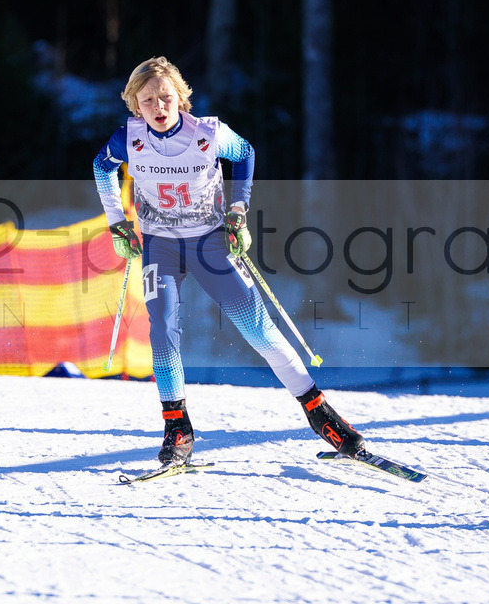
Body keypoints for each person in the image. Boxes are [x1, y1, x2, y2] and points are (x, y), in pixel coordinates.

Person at [92, 56, 365, 466]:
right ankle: (177, 428)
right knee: (162, 329)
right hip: (159, 246)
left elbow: (246, 153)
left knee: (257, 328)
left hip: (208, 242)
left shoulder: (208, 133)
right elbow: (101, 167)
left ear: (180, 98)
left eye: (166, 97)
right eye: (148, 100)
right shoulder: (127, 138)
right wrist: (118, 223)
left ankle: (319, 413)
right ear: (135, 105)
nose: (159, 107)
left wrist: (238, 211)